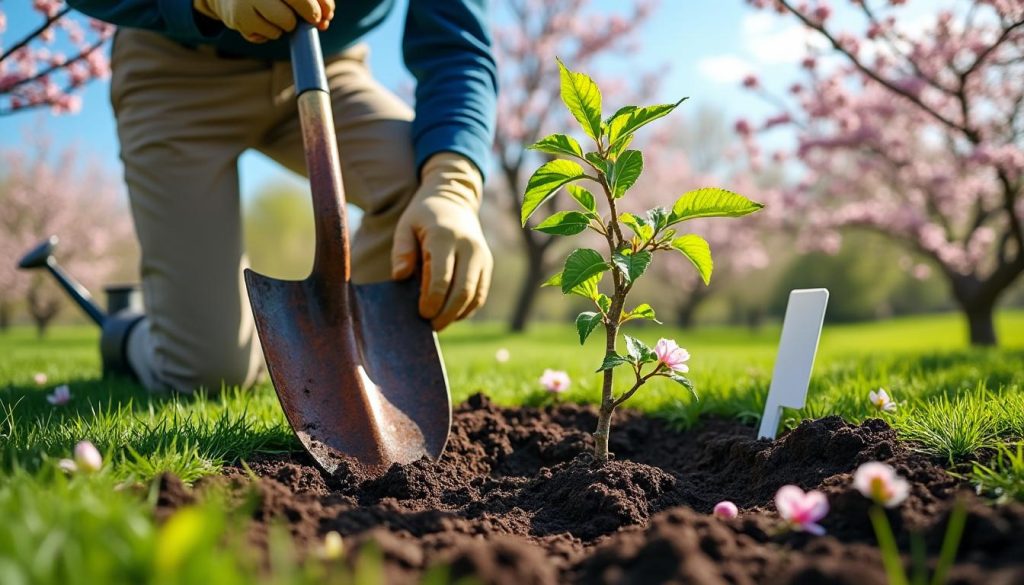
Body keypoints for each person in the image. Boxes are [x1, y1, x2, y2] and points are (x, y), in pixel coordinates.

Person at [65, 0, 497, 393]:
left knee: (419, 187)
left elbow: (458, 46)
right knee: (209, 375)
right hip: (176, 70)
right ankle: (128, 334)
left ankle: (347, 371)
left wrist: (452, 184)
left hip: (326, 66)